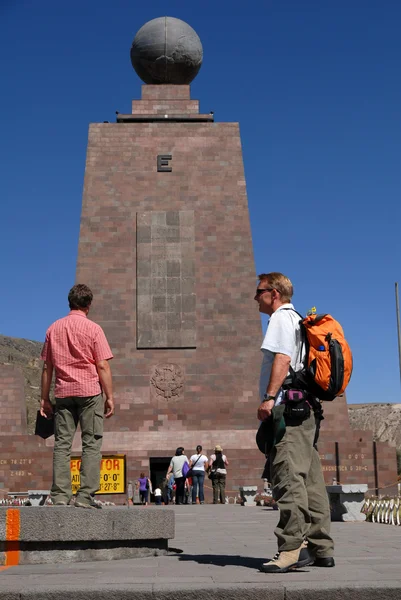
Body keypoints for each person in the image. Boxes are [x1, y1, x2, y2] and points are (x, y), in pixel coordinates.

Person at [255, 272, 334, 573]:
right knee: (311, 480)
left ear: (273, 293)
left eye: (259, 291)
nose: (255, 297)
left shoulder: (279, 318)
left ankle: (292, 548)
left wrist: (268, 397)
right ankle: (321, 547)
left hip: (288, 408)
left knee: (287, 476)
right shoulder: (299, 319)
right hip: (307, 409)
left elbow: (282, 359)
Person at [40, 284, 114, 509]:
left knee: (62, 444)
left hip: (63, 393)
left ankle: (61, 496)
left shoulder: (53, 329)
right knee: (91, 443)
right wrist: (109, 396)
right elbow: (102, 365)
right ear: (88, 305)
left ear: (69, 303)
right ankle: (84, 497)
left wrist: (44, 398)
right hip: (90, 393)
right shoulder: (94, 329)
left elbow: (47, 368)